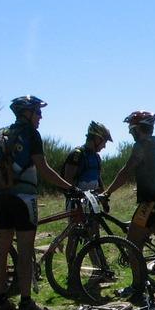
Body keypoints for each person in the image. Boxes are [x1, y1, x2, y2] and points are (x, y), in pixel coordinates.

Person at [0, 96, 74, 310]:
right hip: (23, 198)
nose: (40, 116)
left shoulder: (2, 133)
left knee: (1, 249)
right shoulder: (31, 134)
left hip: (1, 196)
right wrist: (69, 187)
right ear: (26, 113)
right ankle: (26, 302)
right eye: (37, 112)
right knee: (25, 250)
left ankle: (0, 301)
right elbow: (43, 168)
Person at [103, 111, 155, 310]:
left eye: (132, 130)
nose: (131, 134)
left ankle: (138, 285)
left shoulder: (141, 146)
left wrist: (108, 192)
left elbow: (126, 171)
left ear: (138, 129)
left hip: (149, 203)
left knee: (131, 242)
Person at [62, 121, 112, 282]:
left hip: (93, 201)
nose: (104, 146)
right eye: (104, 142)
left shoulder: (96, 157)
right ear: (97, 138)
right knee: (74, 237)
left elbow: (98, 179)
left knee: (94, 236)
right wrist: (74, 197)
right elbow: (67, 180)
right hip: (77, 202)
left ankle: (98, 271)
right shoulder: (77, 154)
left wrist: (104, 199)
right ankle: (72, 274)